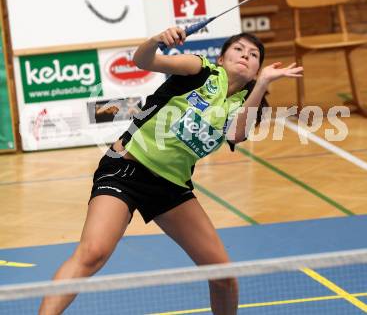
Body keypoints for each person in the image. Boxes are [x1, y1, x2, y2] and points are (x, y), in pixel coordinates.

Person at [39, 26, 303, 315]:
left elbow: (235, 133)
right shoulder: (200, 70)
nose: (245, 55)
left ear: (256, 71)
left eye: (254, 55)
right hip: (126, 168)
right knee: (92, 254)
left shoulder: (246, 103)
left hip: (170, 186)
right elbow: (144, 61)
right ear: (221, 59)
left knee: (224, 277)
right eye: (238, 49)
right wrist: (155, 40)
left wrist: (263, 83)